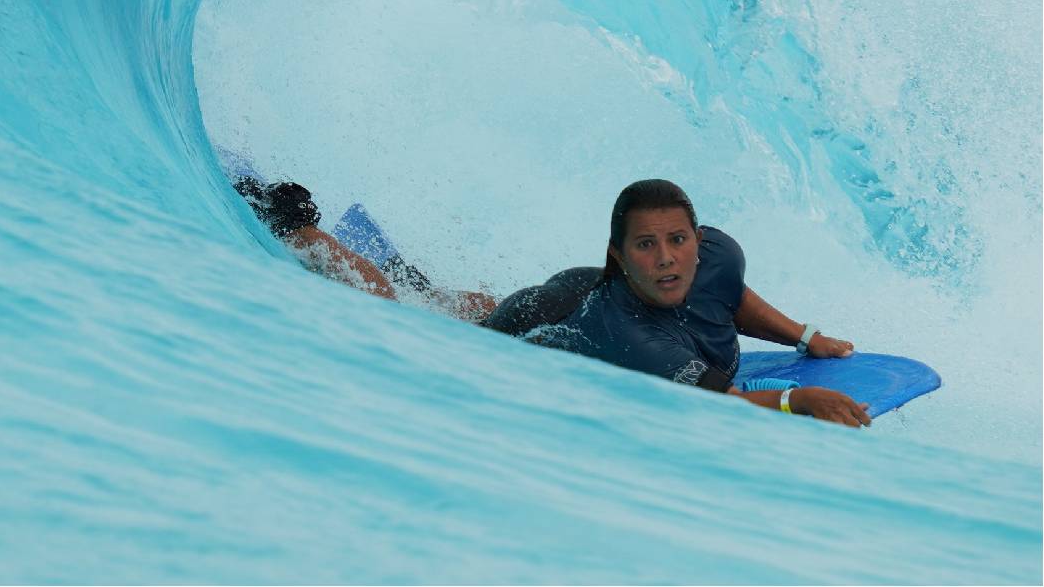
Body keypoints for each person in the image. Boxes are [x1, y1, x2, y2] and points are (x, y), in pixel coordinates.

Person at [484, 179, 871, 428]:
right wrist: (797, 400)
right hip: (549, 317)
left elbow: (730, 294)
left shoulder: (719, 255)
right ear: (619, 255)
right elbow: (727, 406)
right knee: (477, 323)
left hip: (599, 286)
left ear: (699, 240)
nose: (667, 257)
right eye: (646, 244)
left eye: (678, 240)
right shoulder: (635, 341)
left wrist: (804, 337)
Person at [234, 176, 495, 322]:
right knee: (419, 300)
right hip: (392, 283)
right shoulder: (314, 242)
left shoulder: (311, 244)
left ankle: (499, 313)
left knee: (427, 301)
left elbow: (386, 299)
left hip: (394, 288)